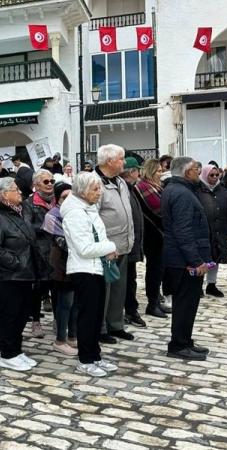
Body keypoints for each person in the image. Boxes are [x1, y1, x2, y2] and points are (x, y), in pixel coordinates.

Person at [61, 172, 119, 377]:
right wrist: (110, 247)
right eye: (95, 189)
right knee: (87, 316)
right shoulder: (75, 213)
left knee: (96, 316)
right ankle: (85, 359)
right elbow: (84, 248)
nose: (99, 193)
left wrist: (105, 248)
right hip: (84, 269)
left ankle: (95, 355)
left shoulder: (88, 208)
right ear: (83, 191)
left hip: (97, 267)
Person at [0, 177, 42, 372]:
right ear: (4, 195)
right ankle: (7, 354)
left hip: (24, 274)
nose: (20, 193)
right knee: (10, 315)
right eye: (15, 190)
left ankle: (16, 350)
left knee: (22, 314)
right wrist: (16, 263)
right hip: (7, 276)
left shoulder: (18, 212)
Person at [161, 157, 212, 362]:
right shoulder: (181, 193)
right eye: (195, 169)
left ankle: (184, 339)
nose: (198, 173)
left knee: (188, 303)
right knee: (185, 303)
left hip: (181, 257)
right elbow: (183, 231)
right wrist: (196, 260)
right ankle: (178, 344)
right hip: (183, 260)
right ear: (186, 171)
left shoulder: (179, 189)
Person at [94, 144, 135, 343]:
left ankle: (116, 324)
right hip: (106, 247)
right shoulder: (94, 183)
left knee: (119, 288)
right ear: (109, 161)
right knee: (104, 290)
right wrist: (103, 245)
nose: (124, 162)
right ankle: (100, 328)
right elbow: (92, 217)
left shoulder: (120, 181)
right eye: (121, 158)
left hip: (122, 244)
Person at [41, 181, 77, 355]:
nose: (68, 199)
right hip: (61, 264)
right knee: (65, 303)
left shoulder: (77, 212)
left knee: (75, 302)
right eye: (64, 196)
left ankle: (73, 336)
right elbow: (62, 241)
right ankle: (61, 339)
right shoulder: (52, 215)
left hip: (76, 262)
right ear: (57, 199)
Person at [134, 160, 170, 318]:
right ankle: (152, 302)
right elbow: (160, 209)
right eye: (158, 171)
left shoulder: (156, 186)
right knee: (154, 270)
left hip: (159, 233)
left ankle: (155, 300)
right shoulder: (144, 187)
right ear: (150, 171)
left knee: (159, 269)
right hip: (152, 234)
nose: (161, 174)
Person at [25, 169, 59, 338]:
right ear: (36, 184)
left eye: (52, 181)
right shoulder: (30, 203)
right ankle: (36, 321)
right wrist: (47, 226)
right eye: (46, 182)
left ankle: (58, 320)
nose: (50, 184)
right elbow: (26, 227)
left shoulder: (58, 200)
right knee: (38, 289)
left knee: (58, 287)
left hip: (58, 251)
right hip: (39, 252)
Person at [197, 164, 227, 297]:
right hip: (203, 230)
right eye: (211, 175)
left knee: (216, 257)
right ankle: (198, 285)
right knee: (202, 257)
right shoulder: (198, 190)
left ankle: (211, 284)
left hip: (220, 229)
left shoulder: (223, 191)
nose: (214, 178)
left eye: (216, 175)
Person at [120, 158, 146, 328]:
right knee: (126, 280)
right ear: (131, 172)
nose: (139, 173)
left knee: (131, 278)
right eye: (137, 170)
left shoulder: (131, 188)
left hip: (133, 242)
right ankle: (129, 310)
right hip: (124, 244)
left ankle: (131, 308)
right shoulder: (124, 189)